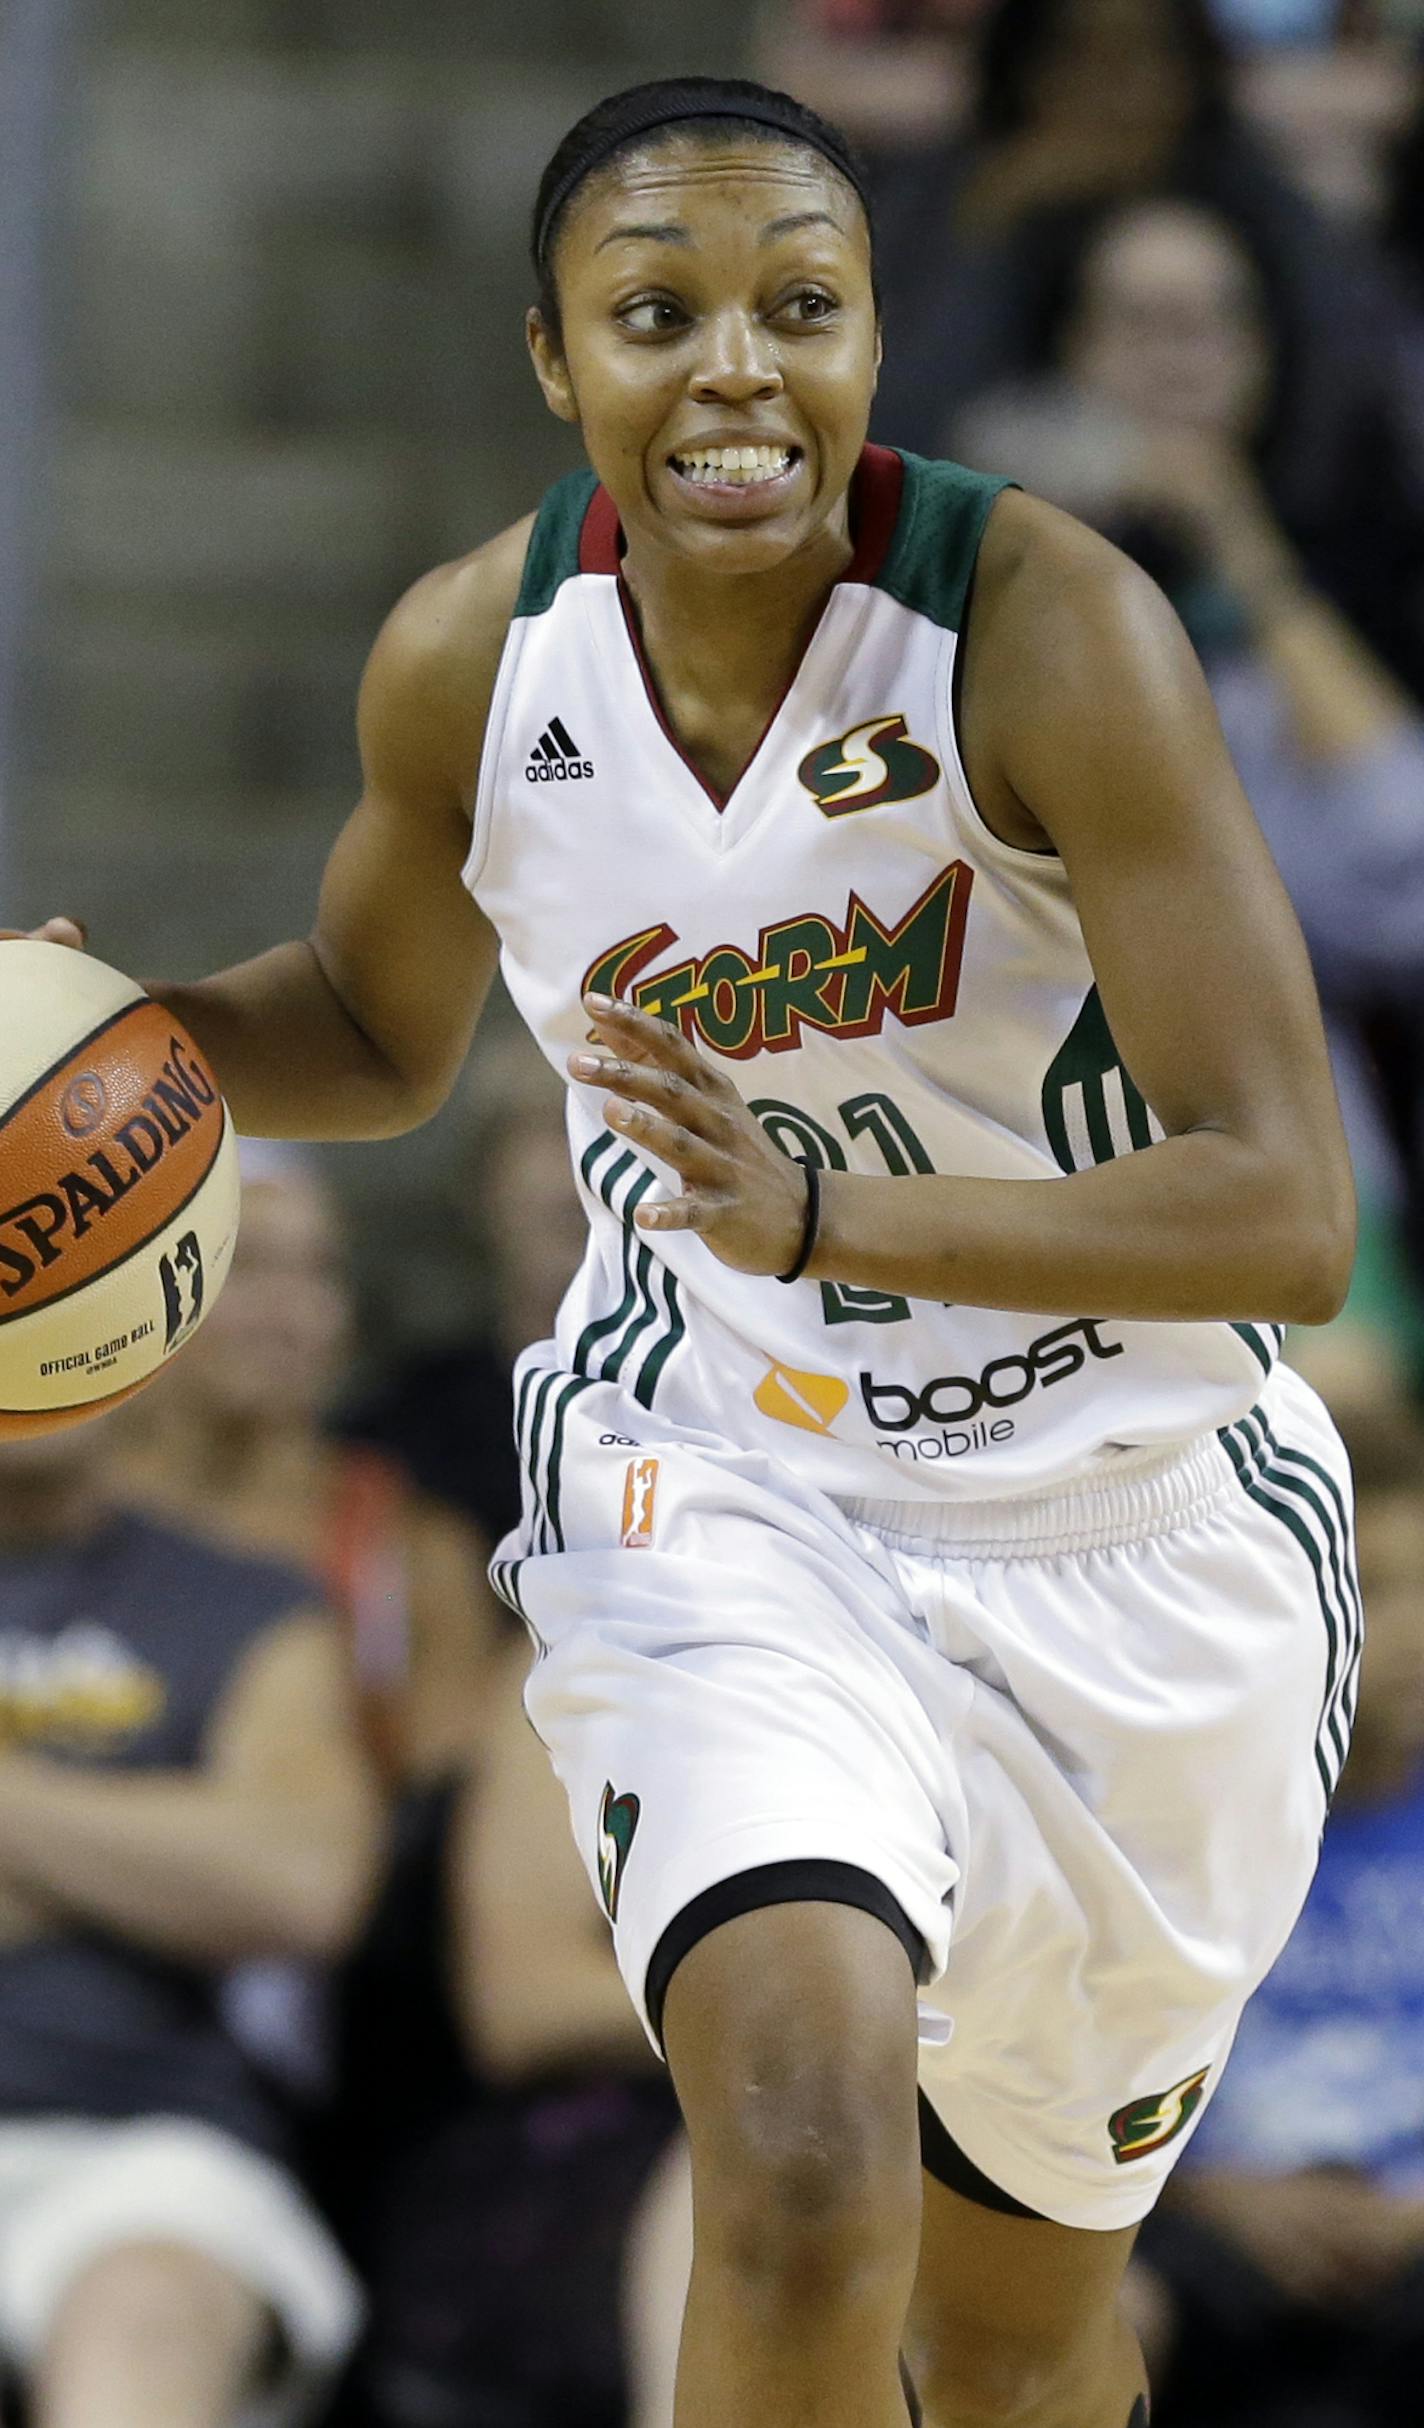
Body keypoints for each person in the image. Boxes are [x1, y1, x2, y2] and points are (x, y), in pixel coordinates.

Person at [8, 69, 1360, 2428]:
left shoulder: (1042, 624)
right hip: (735, 1476)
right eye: (657, 311)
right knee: (803, 2146)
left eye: (798, 305)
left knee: (1024, 2336)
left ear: (862, 338)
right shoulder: (475, 661)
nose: (735, 365)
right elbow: (366, 1021)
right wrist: (136, 1045)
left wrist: (827, 1201)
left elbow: (1286, 1208)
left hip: (1142, 1533)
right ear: (554, 356)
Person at [0, 1417, 374, 2428]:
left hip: (141, 2150)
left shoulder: (246, 1604)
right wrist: (141, 1858)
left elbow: (301, 1877)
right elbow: (235, 1863)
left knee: (144, 2315)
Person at [1132, 1419, 1424, 2428]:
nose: (1414, 1631)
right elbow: (1056, 2090)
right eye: (1378, 1593)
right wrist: (1216, 2197)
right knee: (1091, 2310)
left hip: (1410, 2234)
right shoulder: (1174, 1825)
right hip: (1205, 2228)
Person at [116, 1145, 502, 1785]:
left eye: (319, 1272)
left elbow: (434, 1824)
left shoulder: (413, 1554)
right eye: (244, 1266)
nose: (287, 1313)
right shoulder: (48, 1515)